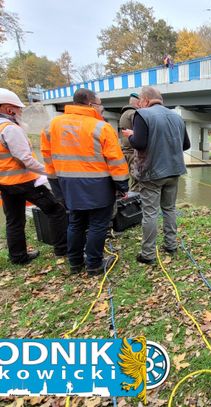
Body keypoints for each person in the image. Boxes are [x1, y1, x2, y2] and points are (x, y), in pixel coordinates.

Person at [41, 88, 129, 276]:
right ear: (90, 104)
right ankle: (94, 265)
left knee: (75, 223)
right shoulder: (101, 127)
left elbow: (48, 159)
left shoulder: (52, 126)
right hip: (98, 185)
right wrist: (122, 186)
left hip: (67, 185)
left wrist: (56, 186)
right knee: (98, 225)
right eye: (99, 104)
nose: (101, 108)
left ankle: (75, 262)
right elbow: (116, 161)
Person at [122, 86, 190, 264]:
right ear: (161, 100)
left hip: (151, 174)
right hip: (174, 171)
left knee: (150, 214)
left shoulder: (142, 115)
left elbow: (139, 142)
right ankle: (171, 245)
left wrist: (131, 136)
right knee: (169, 209)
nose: (138, 106)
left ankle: (148, 254)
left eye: (139, 103)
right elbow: (186, 145)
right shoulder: (177, 117)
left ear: (144, 100)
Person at [0, 88, 67, 264]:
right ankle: (62, 248)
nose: (21, 112)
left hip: (5, 183)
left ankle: (18, 257)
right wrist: (49, 172)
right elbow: (25, 159)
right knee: (56, 210)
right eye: (18, 108)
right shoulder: (10, 129)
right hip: (23, 182)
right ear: (8, 109)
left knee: (14, 220)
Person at [119, 92, 140, 192]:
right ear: (138, 103)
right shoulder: (133, 113)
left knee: (123, 177)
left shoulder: (124, 114)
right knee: (136, 178)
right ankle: (136, 201)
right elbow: (140, 131)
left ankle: (123, 197)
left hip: (124, 150)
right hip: (132, 151)